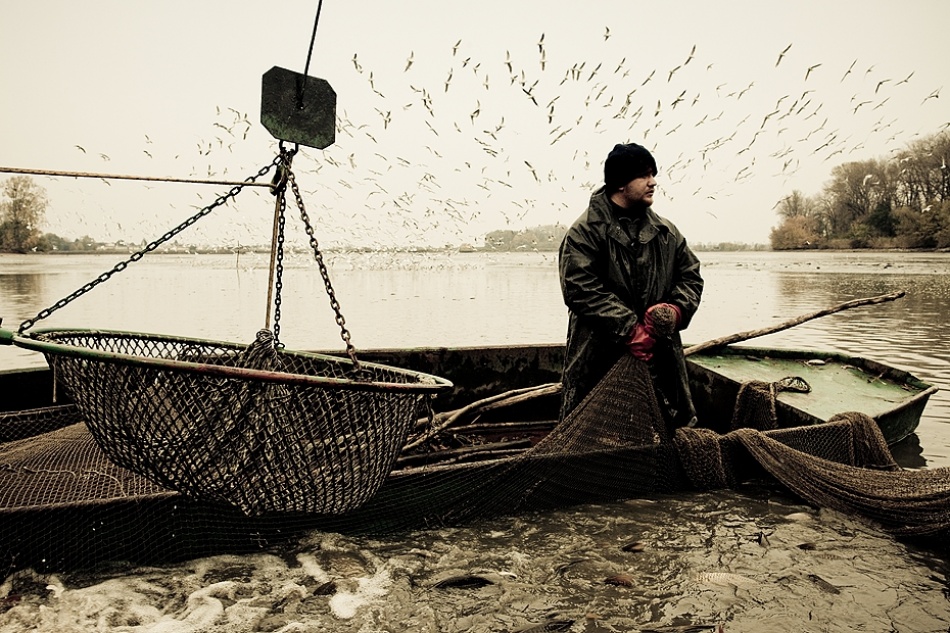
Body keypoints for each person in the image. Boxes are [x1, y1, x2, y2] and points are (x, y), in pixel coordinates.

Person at [558, 142, 704, 428]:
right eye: (645, 175)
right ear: (621, 183)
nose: (653, 182)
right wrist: (629, 329)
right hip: (598, 358)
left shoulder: (666, 232)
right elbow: (579, 288)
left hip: (660, 357)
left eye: (653, 174)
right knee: (590, 435)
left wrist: (676, 309)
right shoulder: (584, 232)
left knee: (667, 431)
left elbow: (691, 276)